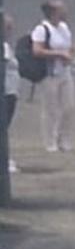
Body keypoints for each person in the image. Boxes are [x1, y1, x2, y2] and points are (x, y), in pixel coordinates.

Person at [31, 0, 75, 153]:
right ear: (53, 13)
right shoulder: (42, 29)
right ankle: (50, 143)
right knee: (51, 109)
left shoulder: (64, 28)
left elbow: (68, 46)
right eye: (61, 10)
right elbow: (37, 50)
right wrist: (58, 54)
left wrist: (71, 53)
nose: (65, 12)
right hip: (49, 75)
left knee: (69, 107)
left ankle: (64, 140)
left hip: (65, 72)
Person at [3, 14, 19, 173]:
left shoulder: (6, 45)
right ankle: (5, 160)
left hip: (11, 92)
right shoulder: (3, 48)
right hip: (6, 92)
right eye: (8, 28)